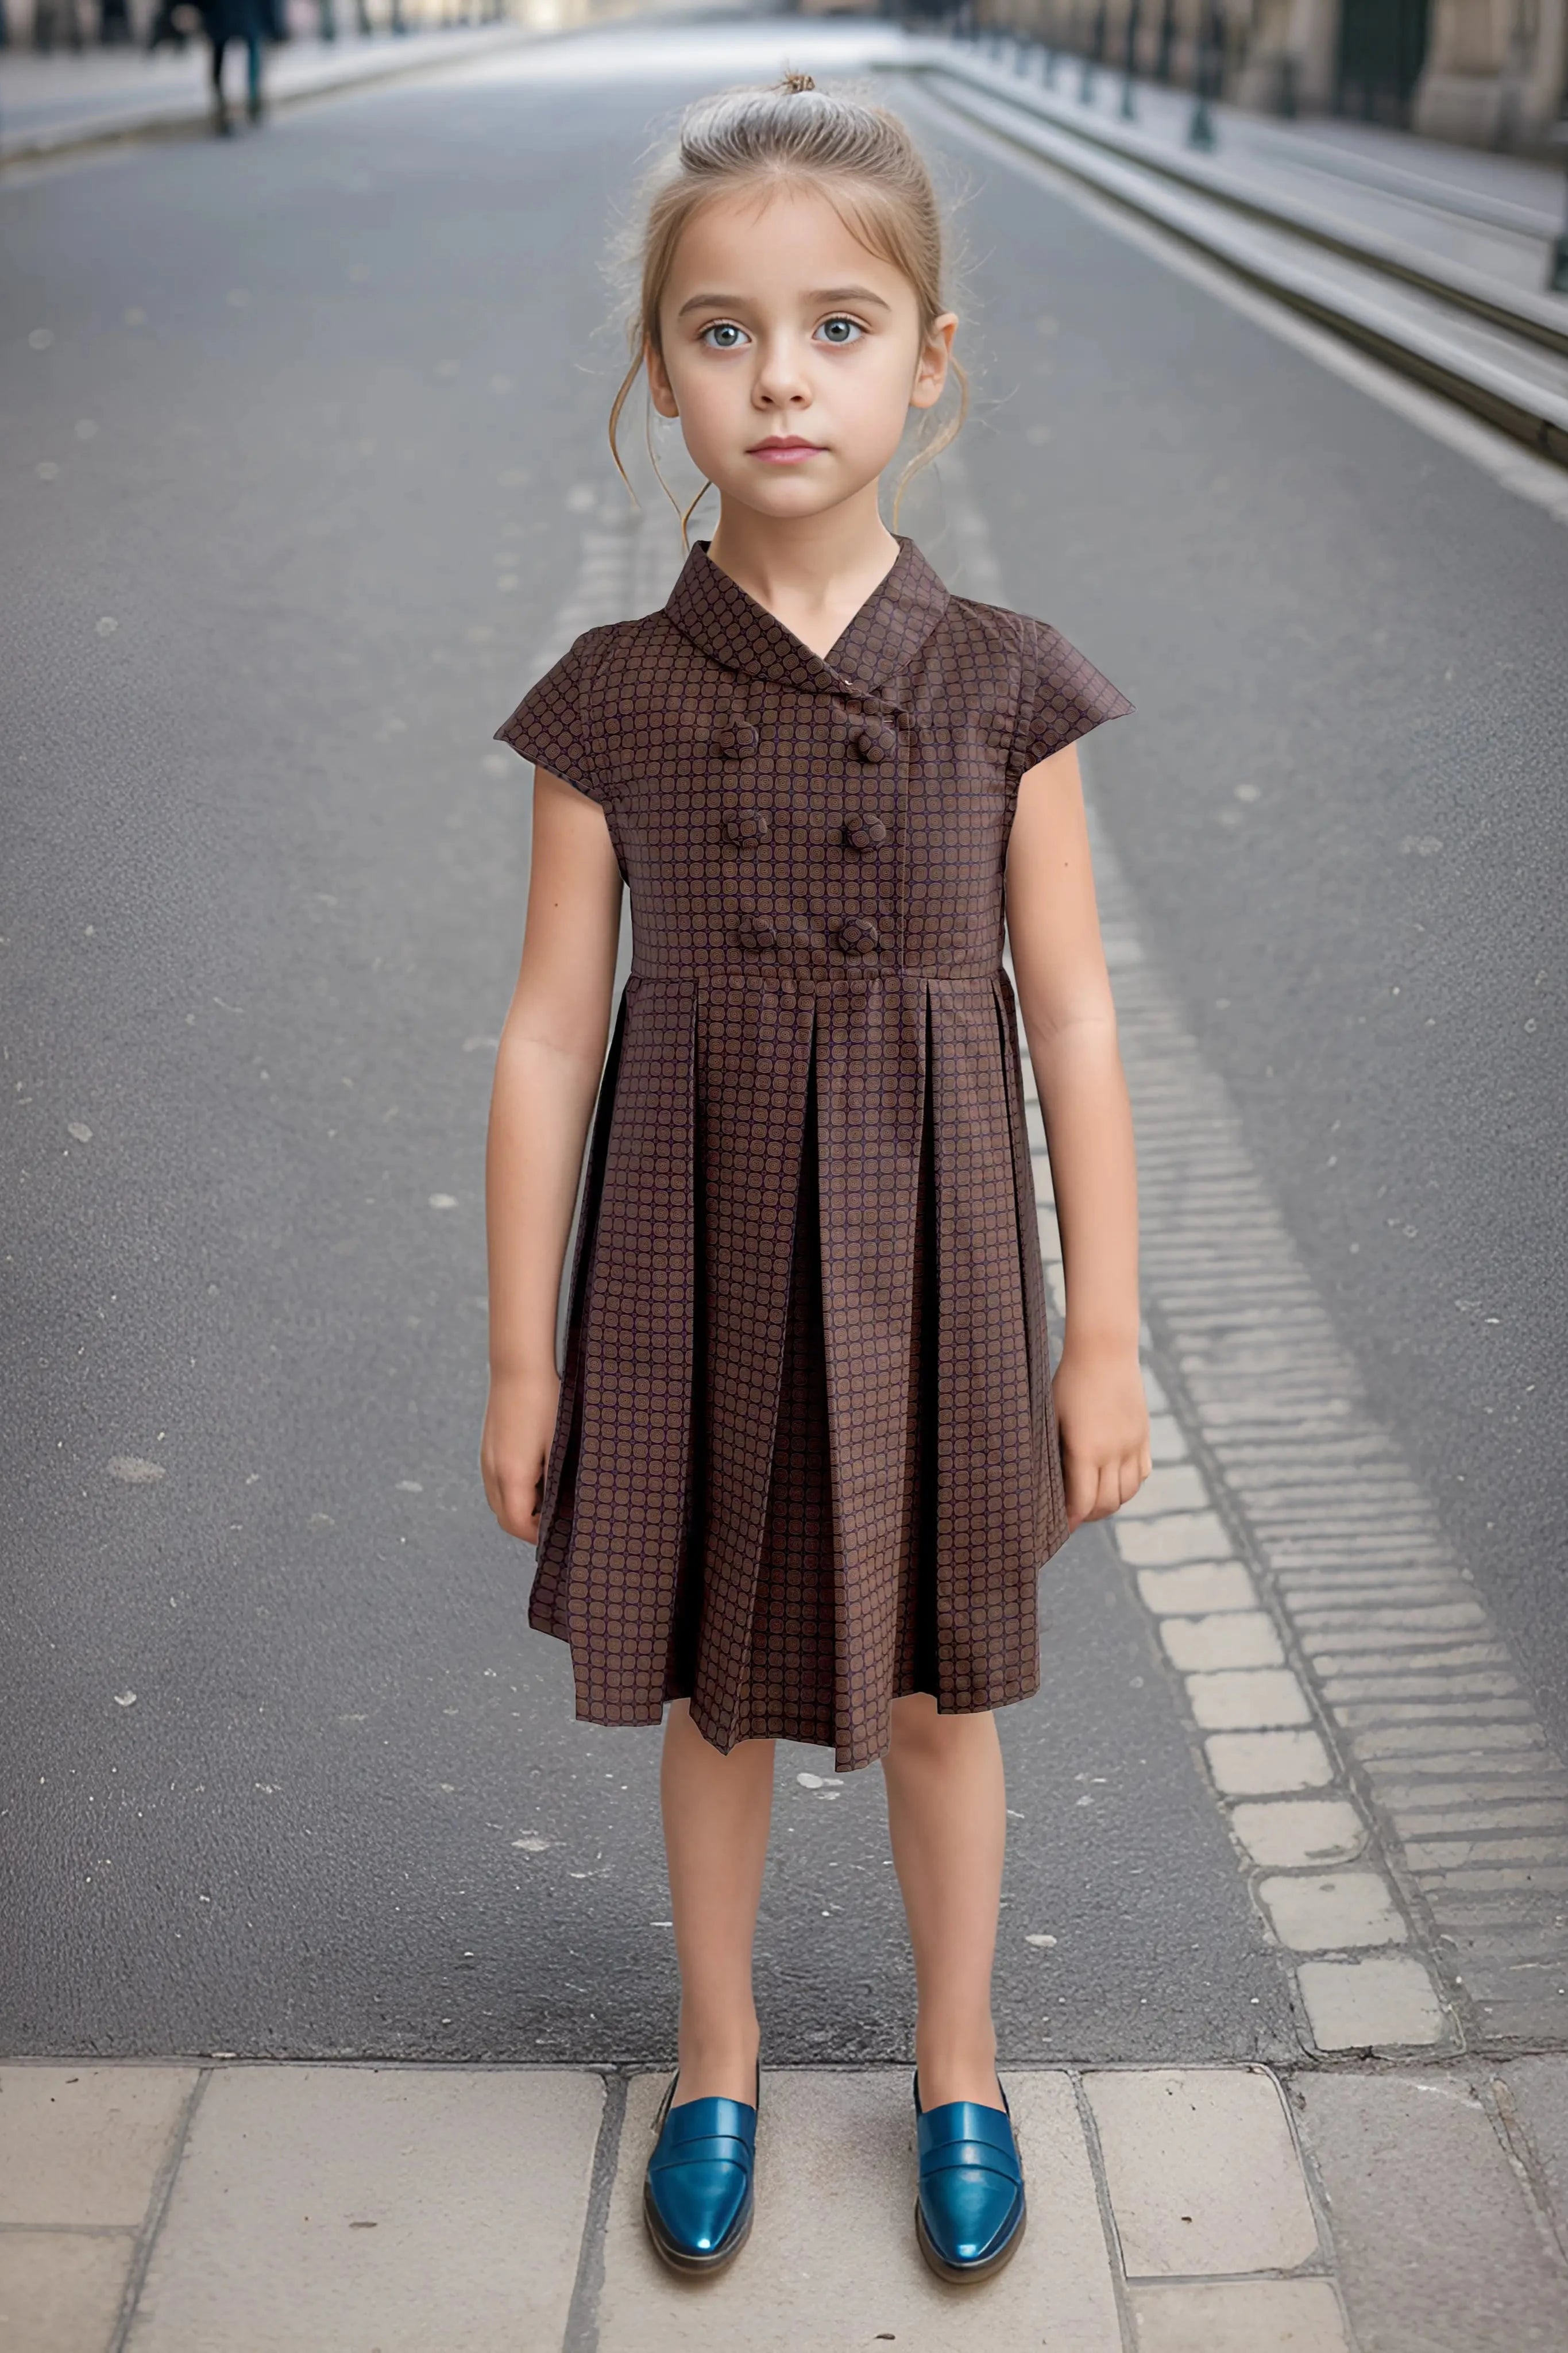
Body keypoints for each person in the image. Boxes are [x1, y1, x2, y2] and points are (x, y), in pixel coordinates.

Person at [480, 68, 1149, 2285]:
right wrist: (518, 1358)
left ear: (927, 362)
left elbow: (1067, 1017)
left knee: (952, 1686)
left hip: (949, 1262)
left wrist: (1108, 1334)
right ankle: (717, 2050)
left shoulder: (1000, 685)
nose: (783, 375)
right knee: (712, 1689)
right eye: (724, 329)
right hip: (683, 1260)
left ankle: (961, 2062)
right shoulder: (611, 699)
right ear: (657, 369)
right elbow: (552, 1035)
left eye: (841, 325)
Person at [198, 0, 265, 135]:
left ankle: (250, 100)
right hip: (221, 12)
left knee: (248, 50)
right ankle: (224, 107)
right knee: (221, 56)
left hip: (240, 12)